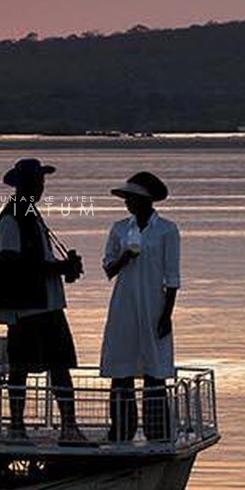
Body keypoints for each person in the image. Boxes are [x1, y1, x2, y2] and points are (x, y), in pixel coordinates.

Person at [0, 157, 87, 443]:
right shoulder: (11, 216)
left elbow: (33, 261)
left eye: (42, 182)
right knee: (22, 369)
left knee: (59, 364)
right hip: (27, 308)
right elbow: (12, 264)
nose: (41, 187)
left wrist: (62, 268)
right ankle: (17, 428)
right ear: (25, 185)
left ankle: (68, 428)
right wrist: (59, 268)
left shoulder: (29, 213)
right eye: (37, 182)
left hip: (47, 304)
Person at [99, 171, 180, 442]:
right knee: (121, 369)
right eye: (127, 199)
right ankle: (121, 429)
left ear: (145, 201)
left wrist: (166, 314)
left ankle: (157, 430)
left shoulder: (167, 230)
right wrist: (125, 257)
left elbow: (172, 277)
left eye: (132, 199)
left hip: (154, 304)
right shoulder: (120, 229)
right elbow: (109, 268)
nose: (127, 204)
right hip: (124, 304)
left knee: (154, 370)